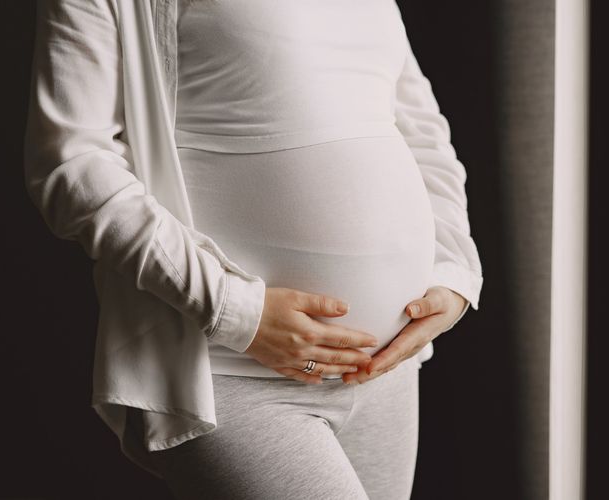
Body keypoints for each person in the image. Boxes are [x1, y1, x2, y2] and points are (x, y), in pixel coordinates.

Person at [24, 0, 483, 498]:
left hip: (384, 373)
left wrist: (453, 269)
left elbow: (419, 128)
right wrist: (234, 311)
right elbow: (72, 166)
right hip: (227, 371)